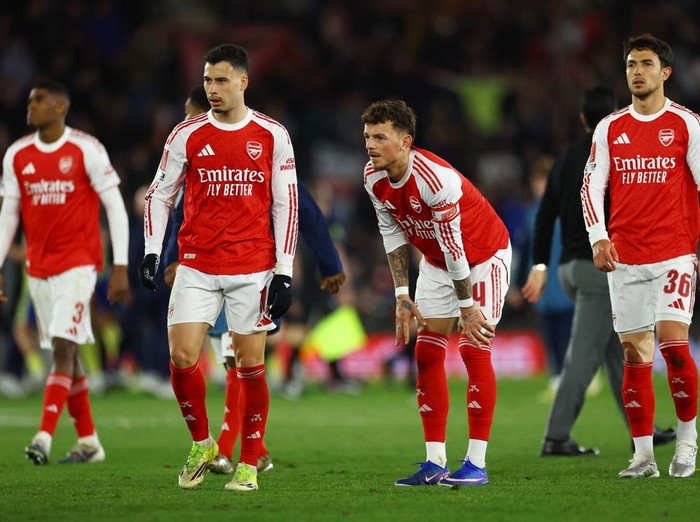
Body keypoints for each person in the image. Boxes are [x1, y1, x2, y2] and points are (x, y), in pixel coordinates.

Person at [138, 44, 299, 492]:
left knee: (249, 365)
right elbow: (159, 195)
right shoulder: (186, 134)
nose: (212, 88)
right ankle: (203, 442)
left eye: (221, 80)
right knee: (182, 357)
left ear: (243, 82)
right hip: (197, 265)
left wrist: (284, 270)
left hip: (254, 268)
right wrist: (153, 250)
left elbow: (287, 204)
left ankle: (249, 462)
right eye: (208, 80)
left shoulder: (272, 135)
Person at [161, 85, 345, 475]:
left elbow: (305, 210)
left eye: (190, 114)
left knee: (238, 361)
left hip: (252, 268)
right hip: (204, 268)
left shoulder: (260, 145)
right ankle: (252, 448)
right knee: (226, 361)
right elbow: (179, 214)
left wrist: (327, 263)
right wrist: (171, 260)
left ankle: (229, 450)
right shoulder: (191, 157)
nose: (187, 123)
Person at [362, 100, 511, 487]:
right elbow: (392, 231)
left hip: (483, 256)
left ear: (406, 141)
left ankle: (475, 464)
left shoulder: (435, 179)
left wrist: (468, 308)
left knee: (473, 346)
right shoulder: (373, 178)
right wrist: (400, 293)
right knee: (427, 351)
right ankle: (435, 462)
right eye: (367, 137)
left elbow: (455, 247)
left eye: (380, 137)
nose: (370, 145)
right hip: (437, 262)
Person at [522, 86, 676, 457]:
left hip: (568, 270)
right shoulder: (615, 153)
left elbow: (544, 218)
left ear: (581, 118)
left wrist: (539, 264)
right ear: (617, 114)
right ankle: (556, 437)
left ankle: (643, 430)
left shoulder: (564, 160)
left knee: (617, 353)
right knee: (583, 357)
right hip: (601, 270)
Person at [581, 34, 699, 478]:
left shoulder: (687, 124)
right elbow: (591, 186)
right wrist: (598, 236)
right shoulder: (610, 127)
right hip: (625, 259)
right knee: (634, 356)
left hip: (674, 254)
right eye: (631, 63)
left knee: (675, 346)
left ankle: (686, 445)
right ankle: (644, 455)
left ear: (664, 72)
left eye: (646, 63)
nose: (637, 71)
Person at [0, 80, 130, 464]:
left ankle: (43, 437)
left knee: (62, 346)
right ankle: (89, 442)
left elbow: (115, 207)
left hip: (78, 264)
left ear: (59, 107)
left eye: (38, 100)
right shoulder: (17, 155)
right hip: (37, 269)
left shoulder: (86, 149)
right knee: (66, 354)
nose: (30, 106)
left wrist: (120, 266)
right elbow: (8, 214)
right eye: (29, 100)